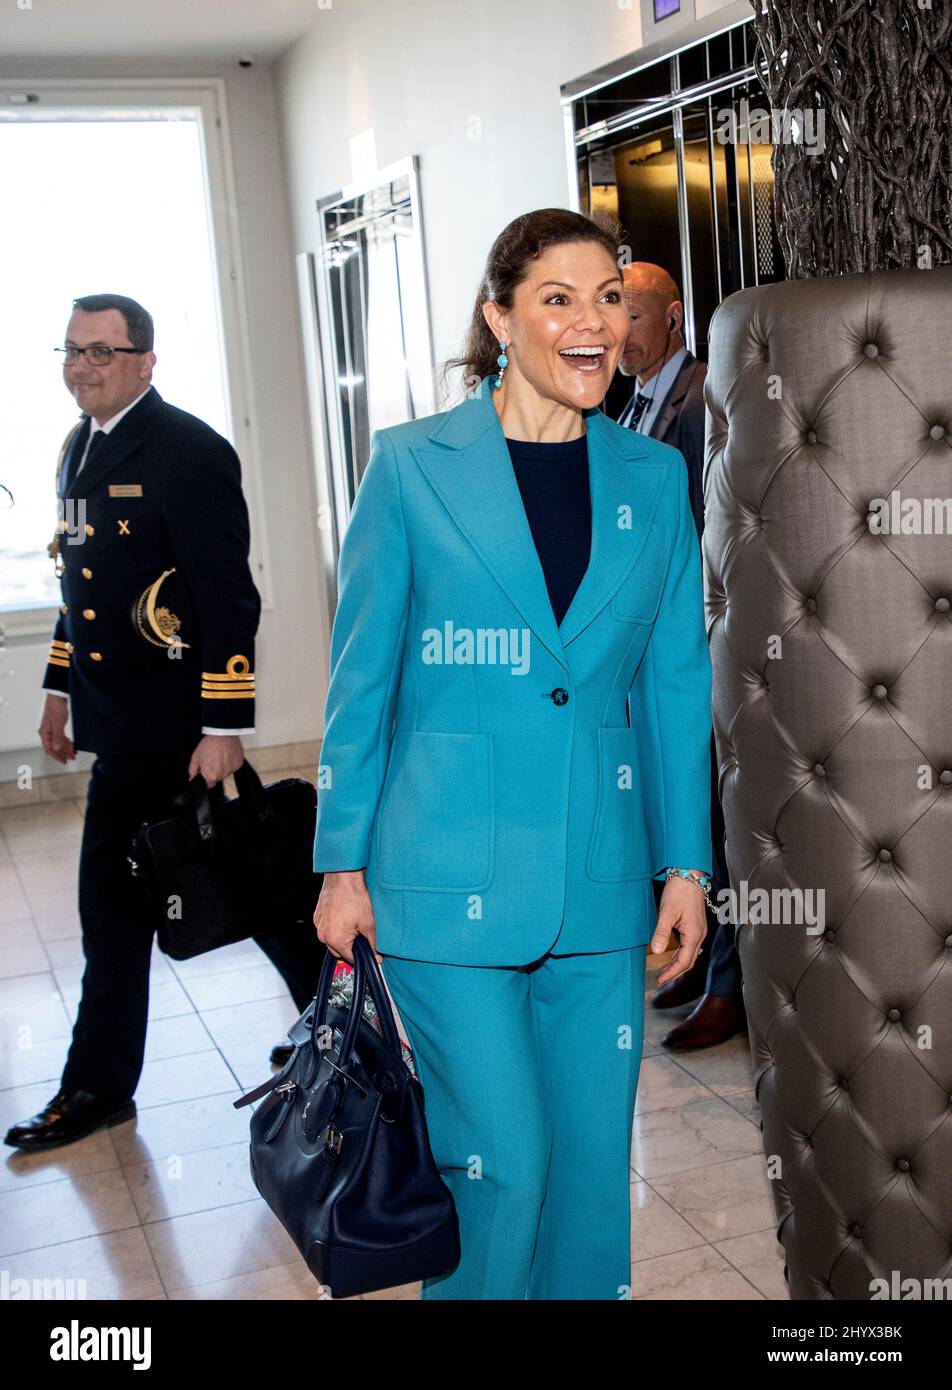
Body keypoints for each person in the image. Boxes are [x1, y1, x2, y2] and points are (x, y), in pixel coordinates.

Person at [311, 209, 713, 1300]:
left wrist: (686, 864)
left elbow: (673, 684)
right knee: (505, 1167)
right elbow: (362, 684)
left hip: (597, 880)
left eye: (608, 298)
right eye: (558, 297)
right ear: (499, 316)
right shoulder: (410, 468)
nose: (593, 321)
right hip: (442, 883)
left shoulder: (652, 480)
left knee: (589, 1176)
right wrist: (338, 865)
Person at [4, 294, 322, 1153]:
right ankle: (342, 1033)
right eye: (71, 350)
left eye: (102, 351)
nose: (83, 366)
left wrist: (224, 723)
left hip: (179, 727)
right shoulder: (80, 446)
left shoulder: (186, 450)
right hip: (122, 724)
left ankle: (98, 1086)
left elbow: (228, 598)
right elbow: (82, 590)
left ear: (145, 361)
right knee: (257, 887)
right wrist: (59, 688)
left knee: (133, 905)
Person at [615, 263, 746, 1049]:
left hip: (695, 643)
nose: (617, 330)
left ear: (673, 318)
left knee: (710, 821)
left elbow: (714, 527)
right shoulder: (628, 404)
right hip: (647, 647)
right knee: (677, 814)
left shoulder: (699, 399)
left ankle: (727, 985)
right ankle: (696, 964)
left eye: (629, 312)